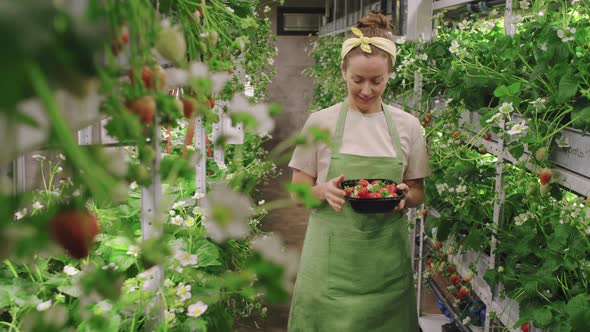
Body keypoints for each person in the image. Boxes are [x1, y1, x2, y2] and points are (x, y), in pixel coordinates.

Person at [287, 13, 430, 332]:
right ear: (343, 73)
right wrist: (321, 191)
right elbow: (297, 193)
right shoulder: (320, 123)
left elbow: (417, 191)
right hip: (329, 277)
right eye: (357, 80)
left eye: (376, 81)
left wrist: (405, 197)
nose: (366, 90)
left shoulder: (408, 127)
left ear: (390, 74)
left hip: (386, 276)